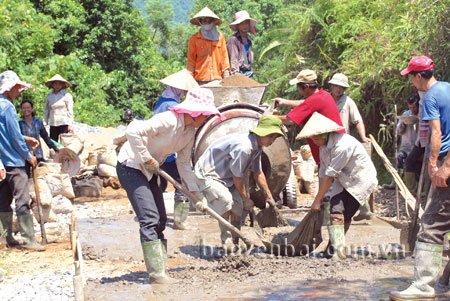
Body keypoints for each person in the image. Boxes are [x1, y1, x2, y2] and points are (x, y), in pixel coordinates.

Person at [116, 87, 223, 284]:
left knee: (161, 219)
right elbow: (132, 130)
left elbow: (183, 163)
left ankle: (160, 268)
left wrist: (196, 193)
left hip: (149, 169)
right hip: (131, 166)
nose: (206, 119)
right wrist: (147, 159)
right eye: (206, 115)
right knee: (149, 217)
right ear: (196, 112)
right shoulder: (169, 119)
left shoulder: (190, 132)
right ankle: (156, 275)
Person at [390, 56, 450, 300]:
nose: (411, 82)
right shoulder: (447, 88)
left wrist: (437, 165)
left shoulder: (431, 97)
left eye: (411, 77)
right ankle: (444, 280)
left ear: (417, 76)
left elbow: (436, 132)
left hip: (447, 160)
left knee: (431, 225)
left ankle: (424, 286)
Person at [194, 116, 284, 252]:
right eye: (270, 136)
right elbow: (237, 176)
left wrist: (269, 196)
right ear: (261, 132)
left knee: (238, 206)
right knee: (226, 201)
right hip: (208, 174)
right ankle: (227, 241)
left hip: (226, 175)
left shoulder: (258, 147)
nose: (272, 141)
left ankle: (235, 241)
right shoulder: (244, 147)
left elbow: (258, 172)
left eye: (275, 138)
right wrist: (246, 198)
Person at [298, 112, 377, 259]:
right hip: (343, 180)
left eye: (315, 138)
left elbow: (329, 175)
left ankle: (335, 250)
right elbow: (322, 173)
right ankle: (335, 249)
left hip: (360, 180)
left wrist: (317, 200)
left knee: (345, 215)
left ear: (325, 134)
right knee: (335, 211)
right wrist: (318, 197)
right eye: (312, 138)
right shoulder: (323, 147)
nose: (313, 141)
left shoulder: (342, 145)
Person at [0, 70, 44, 251]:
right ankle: (28, 239)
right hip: (15, 162)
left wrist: (25, 139)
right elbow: (15, 136)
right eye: (17, 88)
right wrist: (28, 155)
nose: (18, 92)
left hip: (2, 163)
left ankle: (6, 238)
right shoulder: (8, 107)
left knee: (2, 201)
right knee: (22, 200)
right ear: (10, 89)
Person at [154, 69, 198, 230]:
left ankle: (157, 216)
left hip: (159, 150)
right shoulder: (173, 106)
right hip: (168, 152)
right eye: (185, 90)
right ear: (179, 89)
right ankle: (180, 221)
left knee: (160, 185)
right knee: (181, 184)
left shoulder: (163, 100)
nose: (185, 93)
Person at [275, 69, 345, 164]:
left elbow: (289, 120)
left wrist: (268, 117)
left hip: (329, 150)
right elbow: (305, 103)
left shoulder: (314, 100)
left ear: (306, 87)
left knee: (327, 177)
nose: (297, 89)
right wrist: (285, 102)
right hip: (337, 144)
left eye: (298, 86)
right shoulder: (324, 94)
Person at [384, 94, 420, 190]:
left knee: (416, 164)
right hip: (406, 147)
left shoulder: (422, 114)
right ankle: (395, 182)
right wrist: (403, 123)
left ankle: (416, 187)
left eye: (414, 107)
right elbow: (398, 132)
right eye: (410, 107)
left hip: (417, 147)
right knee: (398, 158)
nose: (413, 109)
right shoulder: (406, 114)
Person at [187, 7, 230, 84]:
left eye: (208, 20)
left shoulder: (220, 37)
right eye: (203, 20)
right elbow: (191, 62)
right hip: (200, 79)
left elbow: (224, 57)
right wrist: (190, 79)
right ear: (200, 22)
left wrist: (226, 74)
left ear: (213, 21)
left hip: (217, 79)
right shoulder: (194, 39)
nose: (206, 22)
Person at [19, 100, 59, 178]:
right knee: (26, 178)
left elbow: (45, 137)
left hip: (38, 153)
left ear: (32, 109)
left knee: (41, 176)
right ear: (21, 110)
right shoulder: (19, 124)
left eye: (28, 107)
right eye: (23, 108)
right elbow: (18, 140)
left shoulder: (38, 122)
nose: (26, 110)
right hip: (25, 155)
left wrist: (54, 148)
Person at [328, 73, 370, 142]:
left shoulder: (348, 102)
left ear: (344, 89)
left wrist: (363, 137)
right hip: (326, 139)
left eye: (341, 87)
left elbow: (358, 121)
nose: (338, 89)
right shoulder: (326, 99)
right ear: (332, 86)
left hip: (342, 139)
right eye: (336, 86)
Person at [43, 74, 73, 142]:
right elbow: (46, 110)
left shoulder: (66, 96)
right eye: (55, 84)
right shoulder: (49, 96)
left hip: (64, 123)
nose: (57, 86)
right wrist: (44, 122)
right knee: (53, 143)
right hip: (53, 123)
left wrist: (70, 124)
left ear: (62, 85)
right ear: (52, 85)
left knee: (64, 142)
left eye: (59, 84)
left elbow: (70, 111)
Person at [227, 10, 256, 77]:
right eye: (241, 23)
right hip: (238, 72)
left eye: (246, 23)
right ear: (237, 25)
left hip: (247, 71)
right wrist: (235, 74)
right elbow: (233, 58)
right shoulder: (233, 40)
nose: (244, 26)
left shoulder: (249, 40)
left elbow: (248, 58)